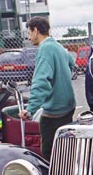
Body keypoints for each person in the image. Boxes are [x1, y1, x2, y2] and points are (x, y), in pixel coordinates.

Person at [19, 16, 76, 161]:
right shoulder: (58, 47)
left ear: (36, 30)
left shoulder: (45, 49)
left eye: (29, 33)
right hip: (68, 108)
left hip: (54, 112)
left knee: (49, 156)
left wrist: (30, 108)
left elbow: (41, 82)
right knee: (65, 152)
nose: (29, 37)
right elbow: (71, 64)